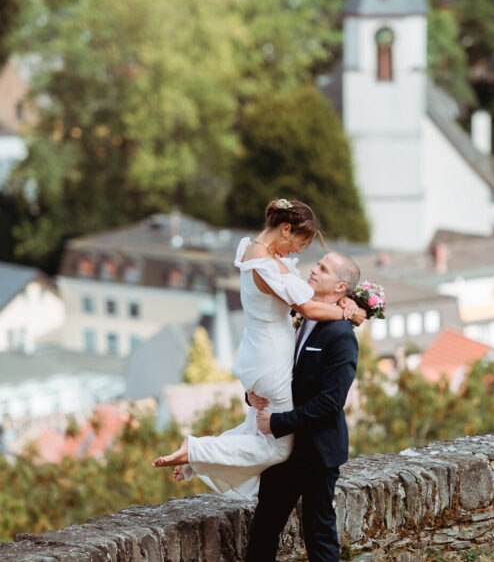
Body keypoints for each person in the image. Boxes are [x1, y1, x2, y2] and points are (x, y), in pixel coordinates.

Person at [203, 246, 361, 562]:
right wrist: (253, 398)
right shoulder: (298, 318)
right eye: (317, 263)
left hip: (316, 452)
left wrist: (277, 422)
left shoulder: (341, 335)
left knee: (319, 535)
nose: (314, 269)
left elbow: (330, 404)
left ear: (340, 286)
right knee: (264, 528)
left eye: (323, 268)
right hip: (283, 449)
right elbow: (272, 372)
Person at [152, 199, 359, 498]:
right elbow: (310, 309)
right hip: (272, 355)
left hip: (261, 352)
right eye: (301, 243)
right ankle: (196, 451)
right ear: (285, 230)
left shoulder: (255, 253)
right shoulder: (265, 265)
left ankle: (196, 460)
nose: (301, 252)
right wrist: (349, 312)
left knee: (255, 426)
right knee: (278, 444)